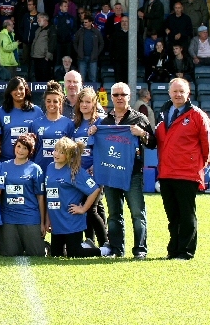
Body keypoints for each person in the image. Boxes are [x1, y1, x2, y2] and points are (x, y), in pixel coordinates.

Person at [89, 82, 157, 259]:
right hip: (111, 173)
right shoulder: (105, 122)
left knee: (137, 213)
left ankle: (140, 250)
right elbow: (97, 146)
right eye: (116, 95)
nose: (119, 98)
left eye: (123, 95)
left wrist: (142, 134)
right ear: (111, 97)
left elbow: (153, 143)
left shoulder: (139, 118)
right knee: (114, 215)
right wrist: (94, 131)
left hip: (132, 173)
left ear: (129, 97)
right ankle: (117, 249)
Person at [155, 78, 210, 260]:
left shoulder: (197, 115)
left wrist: (201, 165)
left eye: (182, 91)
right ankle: (173, 250)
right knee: (173, 216)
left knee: (186, 214)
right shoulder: (164, 113)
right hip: (166, 172)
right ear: (169, 93)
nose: (178, 94)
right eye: (175, 91)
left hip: (187, 173)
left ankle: (186, 251)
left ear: (188, 93)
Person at [45, 137, 106, 258]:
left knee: (74, 253)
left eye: (62, 152)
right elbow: (49, 196)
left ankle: (104, 251)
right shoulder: (50, 167)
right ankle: (86, 245)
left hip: (71, 221)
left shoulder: (75, 171)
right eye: (56, 150)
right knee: (56, 255)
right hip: (57, 221)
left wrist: (83, 209)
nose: (57, 154)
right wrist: (47, 219)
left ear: (68, 155)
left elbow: (95, 190)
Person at [0, 133, 45, 256]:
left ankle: (45, 245)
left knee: (36, 254)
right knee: (9, 254)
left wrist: (42, 222)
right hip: (8, 218)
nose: (21, 150)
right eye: (19, 146)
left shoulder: (35, 169)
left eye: (25, 148)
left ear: (30, 151)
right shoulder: (3, 166)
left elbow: (40, 197)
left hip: (29, 217)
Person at [72, 88, 108, 248]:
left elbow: (107, 147)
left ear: (94, 103)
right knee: (95, 208)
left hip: (96, 172)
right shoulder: (76, 123)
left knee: (90, 209)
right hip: (80, 173)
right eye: (82, 101)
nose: (84, 105)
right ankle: (90, 240)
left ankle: (105, 244)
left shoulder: (100, 122)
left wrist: (96, 165)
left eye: (88, 101)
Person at [0, 77, 44, 161]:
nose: (18, 92)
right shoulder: (1, 112)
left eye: (21, 88)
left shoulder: (36, 111)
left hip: (29, 161)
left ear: (26, 90)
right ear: (10, 92)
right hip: (6, 161)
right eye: (14, 89)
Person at [32, 80, 74, 171]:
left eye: (55, 101)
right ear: (45, 102)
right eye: (48, 101)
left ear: (60, 103)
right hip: (40, 169)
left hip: (61, 170)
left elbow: (72, 151)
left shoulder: (68, 123)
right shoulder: (36, 124)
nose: (51, 104)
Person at [73, 14, 103, 83]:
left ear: (90, 22)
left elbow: (101, 43)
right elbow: (75, 42)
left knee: (93, 78)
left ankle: (92, 93)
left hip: (93, 58)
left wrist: (97, 53)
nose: (84, 24)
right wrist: (78, 52)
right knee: (81, 79)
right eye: (83, 22)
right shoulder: (80, 31)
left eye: (86, 22)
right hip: (82, 58)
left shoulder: (96, 32)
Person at [31, 13, 55, 81]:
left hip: (44, 58)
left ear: (45, 19)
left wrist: (48, 56)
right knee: (37, 77)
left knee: (45, 78)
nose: (38, 20)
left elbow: (52, 43)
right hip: (36, 57)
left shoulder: (51, 29)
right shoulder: (38, 29)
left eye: (39, 18)